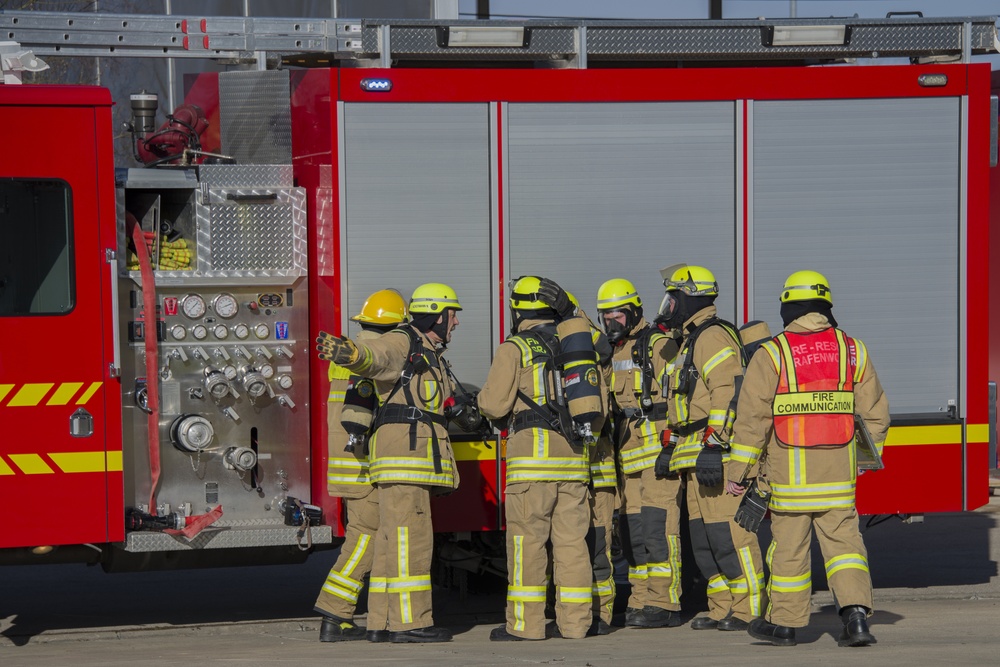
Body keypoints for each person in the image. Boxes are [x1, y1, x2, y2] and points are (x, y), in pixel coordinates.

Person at [726, 270, 890, 648]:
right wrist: (864, 458)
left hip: (789, 483)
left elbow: (752, 420)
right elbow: (876, 415)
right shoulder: (853, 350)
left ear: (788, 307)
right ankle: (857, 620)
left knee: (789, 554)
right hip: (838, 480)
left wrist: (740, 471)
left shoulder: (772, 353)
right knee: (846, 550)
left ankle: (784, 626)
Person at [316, 283, 469, 643]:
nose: (458, 322)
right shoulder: (395, 345)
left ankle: (374, 622)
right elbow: (374, 358)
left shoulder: (408, 348)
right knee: (383, 540)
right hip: (368, 467)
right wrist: (351, 353)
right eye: (453, 314)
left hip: (365, 465)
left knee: (381, 541)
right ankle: (390, 620)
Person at [479, 276, 602, 641]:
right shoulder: (578, 348)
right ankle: (577, 624)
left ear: (518, 309)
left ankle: (525, 626)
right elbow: (599, 407)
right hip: (575, 464)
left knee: (527, 545)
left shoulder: (515, 348)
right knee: (572, 547)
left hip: (531, 467)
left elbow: (493, 403)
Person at [657, 264, 766, 631]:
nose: (669, 304)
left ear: (689, 298)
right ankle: (722, 607)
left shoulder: (712, 336)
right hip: (693, 456)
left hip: (714, 456)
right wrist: (672, 446)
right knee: (705, 541)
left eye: (674, 297)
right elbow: (685, 404)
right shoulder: (690, 340)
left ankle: (749, 608)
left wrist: (715, 445)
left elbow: (728, 391)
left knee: (729, 536)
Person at [314, 289, 408, 642]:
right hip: (365, 467)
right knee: (364, 541)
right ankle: (334, 613)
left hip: (346, 465)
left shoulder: (347, 353)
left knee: (369, 538)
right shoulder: (374, 356)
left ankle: (371, 619)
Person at [596, 278, 682, 629]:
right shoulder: (612, 351)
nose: (609, 324)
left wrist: (673, 444)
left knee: (659, 529)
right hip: (628, 459)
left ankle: (666, 603)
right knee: (634, 535)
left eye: (615, 316)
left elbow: (680, 397)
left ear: (632, 312)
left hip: (657, 455)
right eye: (604, 317)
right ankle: (642, 599)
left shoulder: (659, 345)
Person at [570, 291, 617, 635]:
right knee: (569, 550)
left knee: (598, 548)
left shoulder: (597, 363)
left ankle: (601, 615)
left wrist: (574, 313)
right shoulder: (555, 360)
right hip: (569, 475)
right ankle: (570, 614)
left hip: (597, 474)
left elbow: (604, 348)